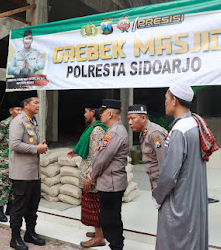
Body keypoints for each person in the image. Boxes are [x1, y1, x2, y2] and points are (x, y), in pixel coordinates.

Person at [152, 82, 209, 250]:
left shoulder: (179, 130)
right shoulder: (194, 123)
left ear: (174, 101)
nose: (165, 102)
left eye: (166, 98)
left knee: (177, 242)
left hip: (180, 203)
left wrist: (157, 197)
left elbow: (170, 175)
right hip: (193, 199)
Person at [8, 97, 48, 250]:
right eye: (35, 103)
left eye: (39, 103)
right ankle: (15, 238)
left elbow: (30, 141)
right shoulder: (18, 121)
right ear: (25, 105)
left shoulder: (32, 121)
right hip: (21, 174)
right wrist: (36, 149)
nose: (38, 105)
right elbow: (15, 144)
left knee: (32, 206)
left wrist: (40, 145)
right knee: (19, 207)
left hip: (33, 174)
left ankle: (30, 233)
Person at [88, 99, 128, 250]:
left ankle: (117, 246)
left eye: (102, 112)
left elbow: (102, 159)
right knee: (110, 219)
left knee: (110, 220)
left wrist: (92, 176)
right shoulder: (113, 131)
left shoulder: (115, 132)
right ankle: (116, 245)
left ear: (110, 114)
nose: (100, 115)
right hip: (109, 182)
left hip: (111, 184)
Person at [67, 103, 108, 248]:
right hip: (89, 171)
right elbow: (88, 146)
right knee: (92, 204)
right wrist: (76, 151)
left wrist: (91, 177)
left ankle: (99, 238)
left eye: (86, 112)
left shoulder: (97, 130)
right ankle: (99, 232)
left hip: (92, 174)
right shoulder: (93, 128)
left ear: (93, 112)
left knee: (94, 205)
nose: (84, 115)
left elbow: (97, 155)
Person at [0, 102, 22, 222]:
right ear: (11, 111)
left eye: (21, 110)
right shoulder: (4, 124)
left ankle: (10, 208)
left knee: (15, 184)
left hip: (17, 159)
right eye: (17, 109)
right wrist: (1, 153)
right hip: (5, 158)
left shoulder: (21, 123)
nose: (20, 112)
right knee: (4, 184)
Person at [127, 104, 167, 189]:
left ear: (143, 118)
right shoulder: (143, 133)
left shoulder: (154, 133)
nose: (129, 122)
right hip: (154, 180)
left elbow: (164, 163)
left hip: (161, 182)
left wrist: (163, 188)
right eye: (128, 119)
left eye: (133, 118)